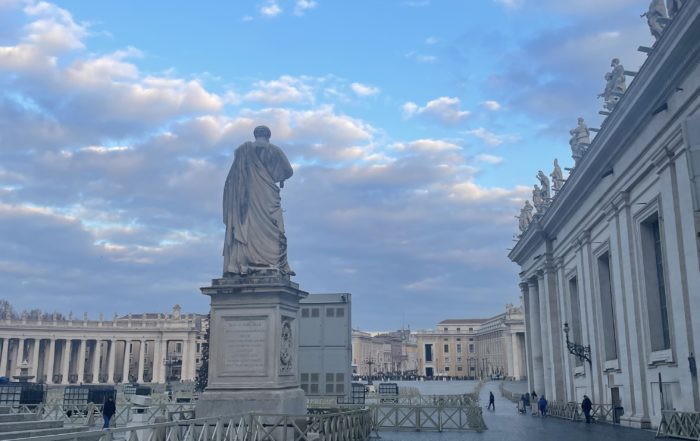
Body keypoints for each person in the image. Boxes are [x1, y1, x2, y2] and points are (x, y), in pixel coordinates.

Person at [223, 126, 295, 276]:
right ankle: (272, 261)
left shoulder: (242, 151)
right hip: (267, 193)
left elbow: (232, 179)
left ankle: (242, 262)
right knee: (275, 227)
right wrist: (275, 177)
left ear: (255, 135)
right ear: (269, 135)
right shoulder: (274, 150)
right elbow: (288, 170)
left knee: (247, 227)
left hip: (246, 197)